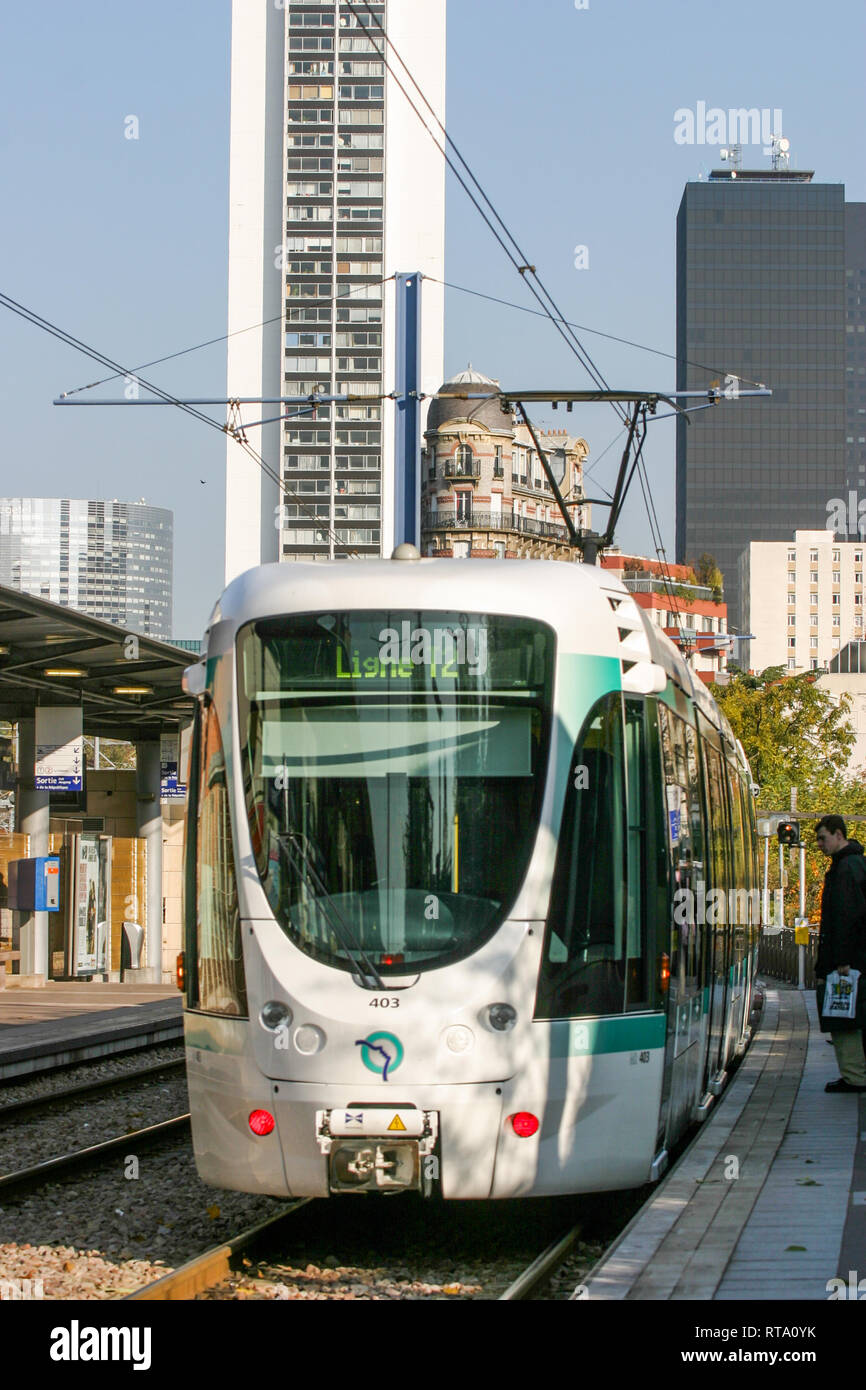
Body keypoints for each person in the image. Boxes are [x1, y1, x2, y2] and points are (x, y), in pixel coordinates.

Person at [815, 815, 866, 1093]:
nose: (820, 844)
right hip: (856, 959)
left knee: (844, 1018)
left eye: (823, 838)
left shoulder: (845, 869)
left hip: (847, 962)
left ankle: (854, 1077)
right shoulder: (855, 864)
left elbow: (846, 917)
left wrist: (841, 960)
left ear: (838, 834)